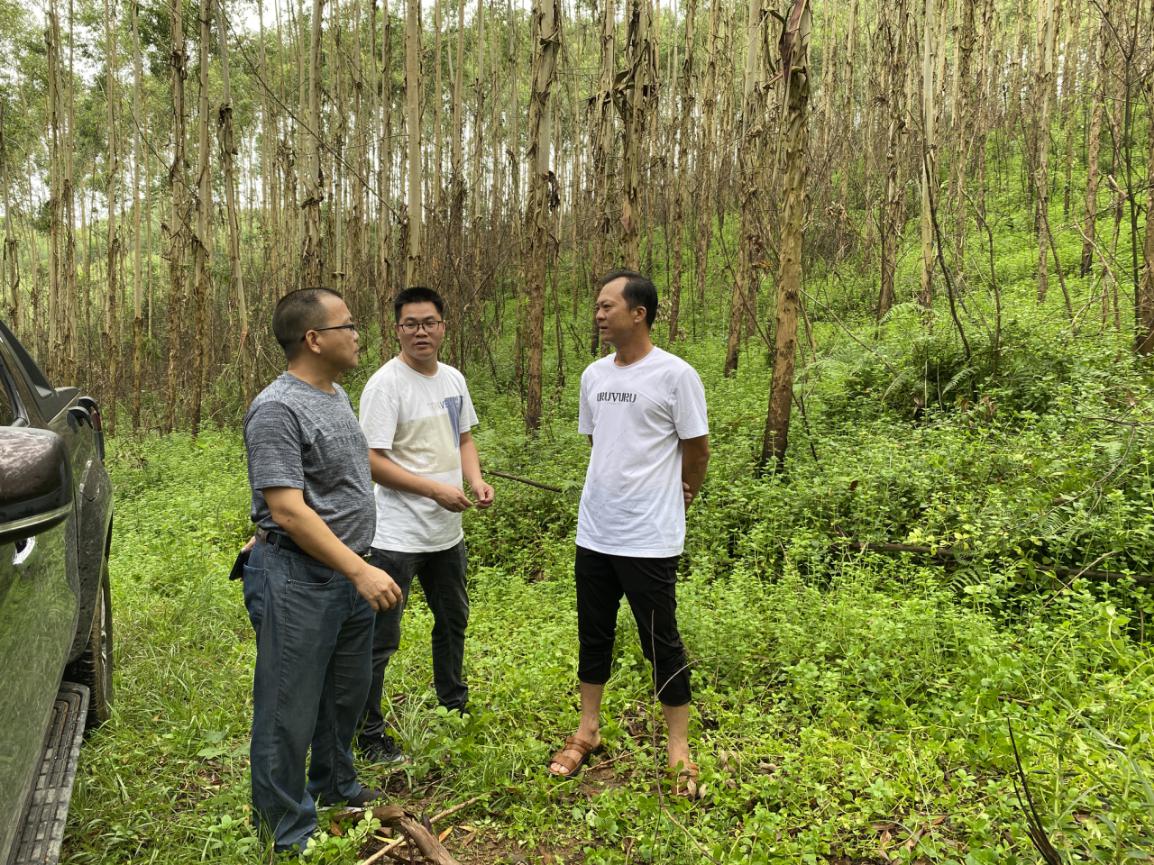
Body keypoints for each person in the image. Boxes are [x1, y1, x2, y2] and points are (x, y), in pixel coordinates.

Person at [242, 288, 403, 853]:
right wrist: (359, 570)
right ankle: (286, 831)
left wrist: (358, 568)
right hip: (300, 578)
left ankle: (336, 786)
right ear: (314, 338)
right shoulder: (276, 408)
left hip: (347, 573)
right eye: (348, 325)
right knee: (288, 709)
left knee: (344, 695)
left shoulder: (333, 394)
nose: (358, 334)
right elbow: (286, 508)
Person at [548, 269, 710, 797]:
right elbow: (599, 443)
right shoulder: (594, 376)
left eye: (607, 306)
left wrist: (683, 490)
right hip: (596, 530)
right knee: (593, 633)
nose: (598, 314)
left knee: (660, 641)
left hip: (648, 537)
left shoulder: (675, 375)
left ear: (638, 313)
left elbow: (697, 449)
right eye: (597, 306)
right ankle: (586, 731)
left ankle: (679, 750)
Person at [357, 286, 494, 761]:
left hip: (446, 535)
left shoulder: (453, 379)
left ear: (443, 326)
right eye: (410, 324)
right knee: (380, 639)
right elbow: (371, 462)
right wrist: (433, 489)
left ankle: (453, 704)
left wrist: (474, 480)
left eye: (429, 322)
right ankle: (369, 733)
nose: (421, 331)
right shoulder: (385, 385)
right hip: (396, 535)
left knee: (453, 619)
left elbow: (464, 438)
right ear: (397, 330)